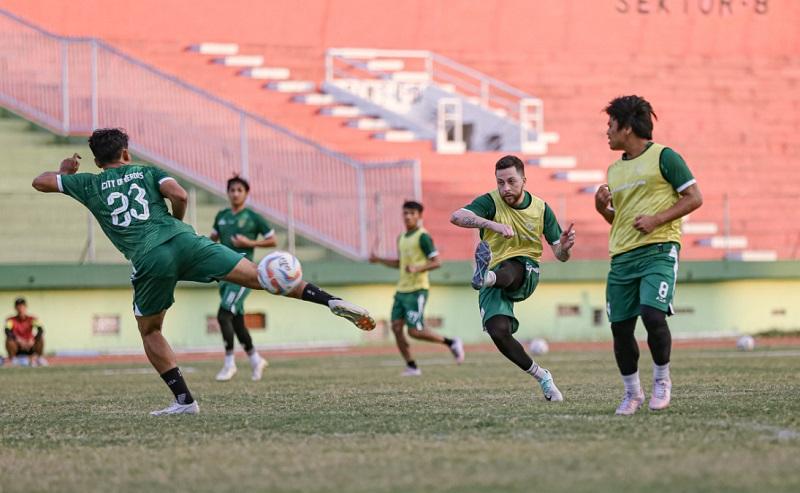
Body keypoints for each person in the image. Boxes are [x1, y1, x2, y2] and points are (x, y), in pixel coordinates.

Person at [32, 128, 375, 416]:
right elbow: (179, 194)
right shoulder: (148, 172)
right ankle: (331, 301)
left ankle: (184, 400)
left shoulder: (89, 184)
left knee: (151, 331)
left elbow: (40, 182)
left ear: (97, 161)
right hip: (184, 241)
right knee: (260, 276)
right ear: (126, 151)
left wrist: (65, 173)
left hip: (149, 258)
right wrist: (175, 223)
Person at [594, 95, 703, 415]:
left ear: (627, 127)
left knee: (653, 315)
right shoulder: (614, 171)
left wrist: (657, 220)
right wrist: (603, 210)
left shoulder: (665, 157)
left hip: (659, 250)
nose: (607, 132)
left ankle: (662, 381)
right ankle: (632, 393)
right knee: (620, 329)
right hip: (622, 257)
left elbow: (694, 197)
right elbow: (620, 221)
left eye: (610, 125)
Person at [450, 155, 575, 401]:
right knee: (498, 331)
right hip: (492, 269)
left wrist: (566, 247)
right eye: (500, 182)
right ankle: (543, 377)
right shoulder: (491, 202)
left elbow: (559, 255)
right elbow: (456, 217)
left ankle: (486, 277)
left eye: (511, 181)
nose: (505, 188)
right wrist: (492, 225)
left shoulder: (540, 208)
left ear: (524, 180)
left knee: (512, 265)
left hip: (525, 270)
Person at [369, 201, 464, 376]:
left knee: (414, 331)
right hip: (401, 291)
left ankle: (451, 342)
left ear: (419, 216)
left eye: (412, 213)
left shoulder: (423, 237)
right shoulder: (402, 238)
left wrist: (417, 268)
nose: (407, 216)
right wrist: (379, 259)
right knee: (396, 328)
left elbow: (437, 262)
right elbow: (400, 263)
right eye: (405, 213)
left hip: (417, 290)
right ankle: (412, 366)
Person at [210, 175, 276, 382]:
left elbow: (272, 240)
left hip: (244, 273)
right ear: (227, 192)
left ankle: (229, 363)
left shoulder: (253, 217)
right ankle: (255, 359)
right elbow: (212, 239)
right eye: (232, 190)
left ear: (246, 193)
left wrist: (249, 242)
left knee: (223, 316)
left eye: (240, 190)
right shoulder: (221, 216)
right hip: (224, 273)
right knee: (237, 321)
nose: (236, 193)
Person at [5, 297, 47, 367]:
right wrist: (18, 340)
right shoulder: (11, 320)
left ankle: (39, 358)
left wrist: (33, 339)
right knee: (9, 340)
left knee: (41, 338)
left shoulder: (32, 319)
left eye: (22, 306)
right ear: (15, 308)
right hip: (18, 346)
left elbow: (40, 329)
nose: (20, 308)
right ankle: (13, 359)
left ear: (25, 307)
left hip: (30, 345)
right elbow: (7, 331)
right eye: (18, 306)